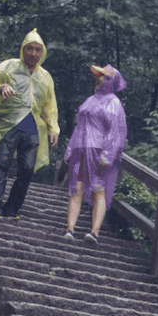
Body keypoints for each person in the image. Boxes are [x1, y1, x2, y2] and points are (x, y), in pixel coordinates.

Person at [0, 30, 59, 220]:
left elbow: (50, 105)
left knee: (27, 168)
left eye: (38, 49)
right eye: (30, 48)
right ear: (23, 49)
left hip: (32, 125)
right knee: (2, 164)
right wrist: (1, 87)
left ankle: (12, 208)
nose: (33, 53)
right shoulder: (9, 67)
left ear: (42, 52)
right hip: (9, 122)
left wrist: (53, 128)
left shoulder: (45, 77)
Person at [64, 64, 128, 244]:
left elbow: (116, 131)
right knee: (76, 189)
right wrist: (70, 149)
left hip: (99, 150)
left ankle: (94, 232)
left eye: (101, 75)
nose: (97, 78)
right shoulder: (89, 100)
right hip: (81, 148)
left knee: (98, 189)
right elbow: (79, 127)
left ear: (110, 80)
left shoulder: (113, 102)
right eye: (97, 75)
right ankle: (70, 229)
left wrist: (108, 155)